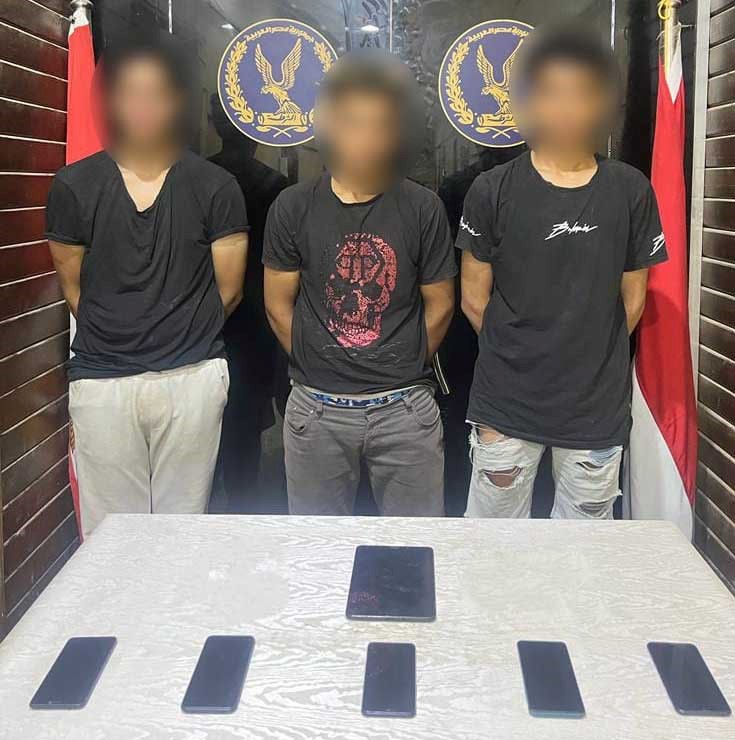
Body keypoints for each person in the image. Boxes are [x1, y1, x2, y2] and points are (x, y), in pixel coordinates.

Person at [458, 24, 668, 520]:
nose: (566, 109)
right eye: (552, 94)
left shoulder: (630, 190)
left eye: (581, 94)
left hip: (594, 406)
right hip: (506, 401)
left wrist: (583, 354)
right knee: (495, 542)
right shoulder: (492, 189)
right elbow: (473, 298)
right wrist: (523, 353)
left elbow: (633, 298)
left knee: (584, 547)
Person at [45, 38, 249, 536]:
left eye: (156, 93)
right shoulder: (74, 185)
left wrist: (174, 335)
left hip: (192, 376)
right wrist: (124, 333)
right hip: (103, 382)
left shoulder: (215, 186)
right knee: (113, 536)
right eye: (130, 93)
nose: (143, 106)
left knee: (183, 531)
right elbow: (74, 288)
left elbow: (229, 291)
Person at [263, 51, 457, 516]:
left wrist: (403, 363)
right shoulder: (293, 207)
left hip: (404, 410)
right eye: (353, 123)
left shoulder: (422, 208)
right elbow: (277, 304)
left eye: (379, 125)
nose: (366, 138)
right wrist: (317, 360)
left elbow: (442, 304)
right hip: (316, 411)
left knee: (413, 545)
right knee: (318, 548)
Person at [208, 96, 288, 513]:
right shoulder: (276, 187)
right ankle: (242, 509)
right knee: (246, 426)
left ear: (211, 124)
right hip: (258, 316)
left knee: (202, 431)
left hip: (206, 317)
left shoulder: (198, 177)